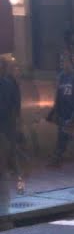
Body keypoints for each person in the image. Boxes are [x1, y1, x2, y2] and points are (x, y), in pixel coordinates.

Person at [0, 56, 27, 194]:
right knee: (11, 155)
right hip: (7, 124)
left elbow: (15, 105)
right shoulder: (10, 83)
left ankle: (19, 182)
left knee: (10, 154)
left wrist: (16, 121)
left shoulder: (9, 84)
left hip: (5, 125)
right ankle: (19, 182)